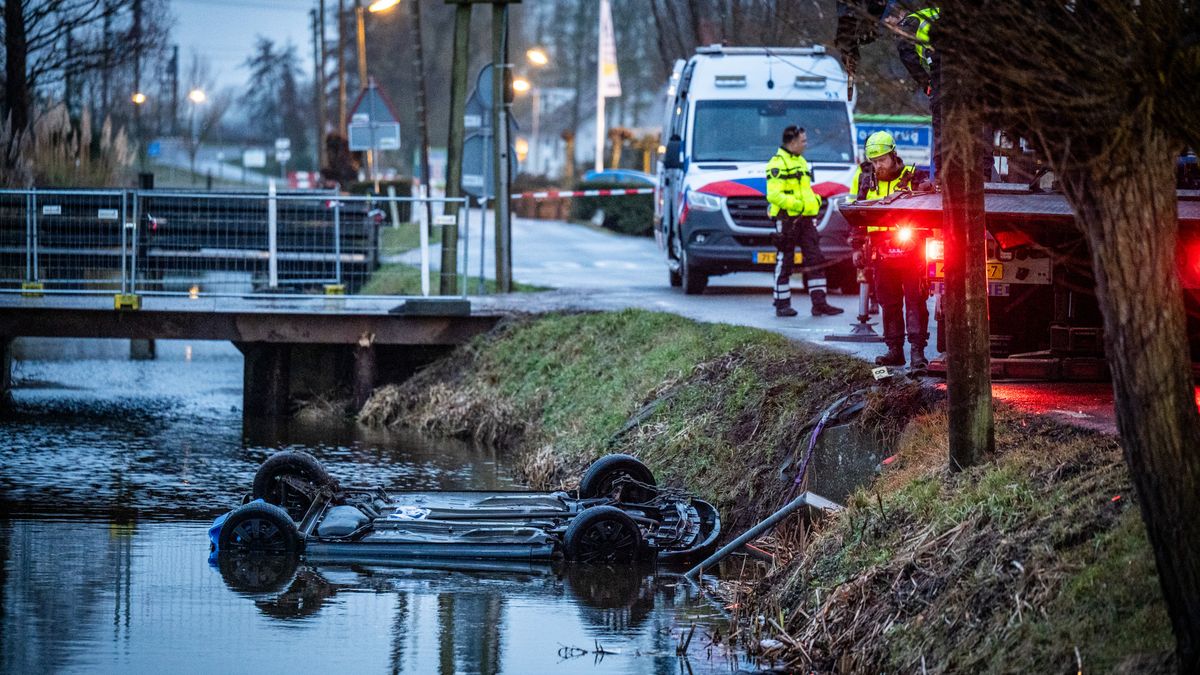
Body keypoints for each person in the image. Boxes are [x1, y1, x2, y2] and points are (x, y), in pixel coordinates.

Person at [848, 131, 931, 368]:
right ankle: (895, 350)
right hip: (880, 248)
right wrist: (857, 246)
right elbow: (858, 214)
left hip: (912, 248)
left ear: (894, 155)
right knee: (888, 301)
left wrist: (926, 188)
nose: (878, 166)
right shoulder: (867, 180)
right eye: (874, 161)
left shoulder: (914, 177)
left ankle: (917, 353)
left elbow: (928, 207)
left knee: (915, 300)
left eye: (882, 160)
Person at [765, 125, 844, 318]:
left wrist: (814, 202)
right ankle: (782, 304)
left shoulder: (801, 161)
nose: (806, 144)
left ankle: (820, 304)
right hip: (788, 219)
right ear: (792, 142)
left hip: (806, 219)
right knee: (785, 261)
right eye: (803, 141)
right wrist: (799, 206)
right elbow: (774, 195)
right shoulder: (777, 163)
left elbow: (806, 190)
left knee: (816, 259)